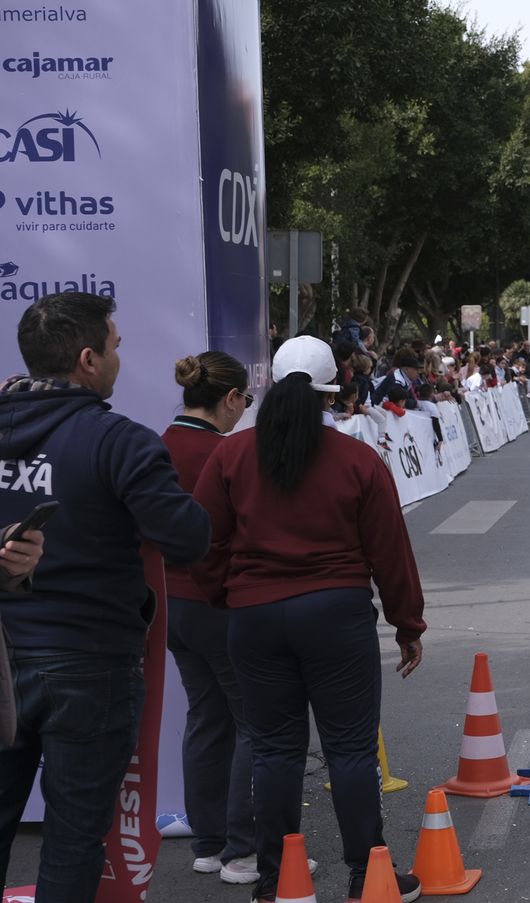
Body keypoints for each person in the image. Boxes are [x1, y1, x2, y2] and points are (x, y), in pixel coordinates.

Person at [191, 336, 426, 903]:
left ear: (269, 382)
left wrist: (228, 594)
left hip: (255, 617)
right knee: (349, 751)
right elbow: (390, 551)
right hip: (336, 616)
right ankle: (366, 875)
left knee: (273, 750)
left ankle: (276, 880)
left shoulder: (231, 454)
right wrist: (407, 625)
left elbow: (202, 540)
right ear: (333, 387)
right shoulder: (357, 459)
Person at [0, 292, 211, 899]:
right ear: (88, 359)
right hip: (89, 663)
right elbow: (188, 537)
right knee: (73, 839)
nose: (121, 359)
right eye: (116, 348)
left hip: (6, 653)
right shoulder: (118, 440)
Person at [162, 352, 272, 886]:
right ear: (230, 398)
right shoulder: (226, 454)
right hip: (217, 602)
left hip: (168, 603)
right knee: (255, 721)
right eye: (245, 402)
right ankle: (242, 849)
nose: (244, 412)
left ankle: (209, 843)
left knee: (207, 719)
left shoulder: (156, 444)